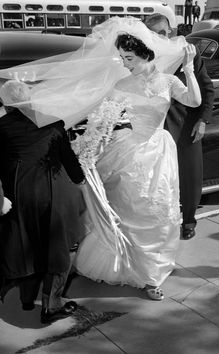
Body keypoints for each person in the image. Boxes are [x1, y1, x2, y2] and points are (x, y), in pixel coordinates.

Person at [69, 18, 202, 301]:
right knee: (126, 208)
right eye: (121, 57)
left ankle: (152, 274)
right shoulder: (121, 84)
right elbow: (103, 120)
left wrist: (189, 69)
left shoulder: (168, 81)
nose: (124, 62)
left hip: (158, 151)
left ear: (146, 54)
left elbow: (194, 101)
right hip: (127, 151)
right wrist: (92, 143)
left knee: (157, 211)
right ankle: (123, 266)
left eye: (128, 57)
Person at [0, 80, 86, 324]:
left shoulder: (1, 127)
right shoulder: (53, 122)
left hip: (18, 194)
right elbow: (68, 160)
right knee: (62, 247)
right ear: (29, 98)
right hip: (55, 193)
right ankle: (51, 305)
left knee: (28, 243)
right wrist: (81, 181)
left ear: (6, 103)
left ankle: (27, 300)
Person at [145, 12, 214, 240]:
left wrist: (202, 121)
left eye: (165, 32)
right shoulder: (142, 58)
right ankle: (164, 221)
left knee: (189, 176)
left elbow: (207, 90)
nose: (161, 37)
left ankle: (189, 222)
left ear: (171, 32)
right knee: (161, 180)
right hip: (156, 129)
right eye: (155, 34)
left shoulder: (187, 53)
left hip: (187, 127)